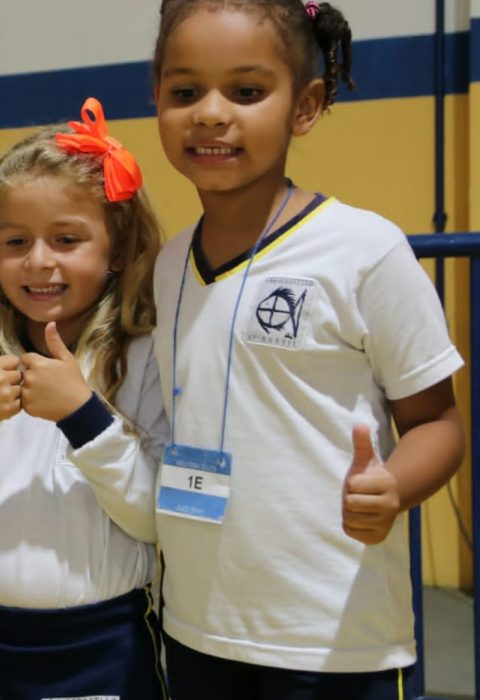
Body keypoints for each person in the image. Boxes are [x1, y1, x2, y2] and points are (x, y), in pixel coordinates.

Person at [151, 2, 466, 698]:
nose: (209, 112)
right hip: (199, 630)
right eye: (184, 92)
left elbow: (438, 425)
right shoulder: (169, 264)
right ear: (156, 100)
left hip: (336, 642)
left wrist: (394, 486)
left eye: (246, 91)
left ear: (307, 105)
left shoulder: (364, 250)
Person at [0, 98, 169, 700]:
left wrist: (84, 417)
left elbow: (154, 519)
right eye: (16, 241)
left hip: (106, 646)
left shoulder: (144, 361)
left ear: (121, 247)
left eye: (67, 238)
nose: (39, 261)